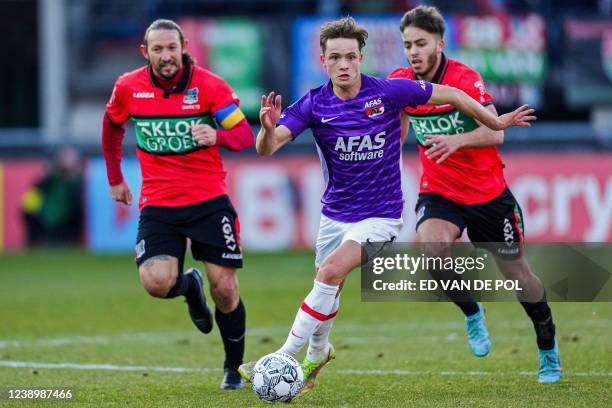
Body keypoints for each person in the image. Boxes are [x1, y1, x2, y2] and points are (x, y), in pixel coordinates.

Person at [238, 16, 536, 394]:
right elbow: (268, 148)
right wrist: (265, 128)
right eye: (335, 58)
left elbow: (454, 95)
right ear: (323, 60)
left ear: (361, 57)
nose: (343, 64)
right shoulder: (313, 104)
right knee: (329, 284)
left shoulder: (391, 92)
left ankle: (281, 357)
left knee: (329, 273)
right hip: (334, 216)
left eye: (349, 56)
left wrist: (494, 121)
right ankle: (318, 352)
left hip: (380, 216)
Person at [388, 6, 561, 384]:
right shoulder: (401, 80)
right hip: (440, 193)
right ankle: (472, 312)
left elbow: (496, 131)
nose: (413, 52)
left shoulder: (465, 78)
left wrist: (457, 140)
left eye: (421, 43)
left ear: (440, 43)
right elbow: (398, 124)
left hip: (488, 195)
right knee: (430, 251)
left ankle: (547, 345)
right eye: (407, 45)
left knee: (519, 277)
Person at [101, 19, 254, 389]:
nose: (166, 56)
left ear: (184, 46)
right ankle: (189, 287)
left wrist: (215, 135)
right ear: (146, 52)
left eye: (172, 48)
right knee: (155, 282)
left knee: (226, 289)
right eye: (158, 49)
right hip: (159, 204)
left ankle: (233, 368)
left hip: (208, 202)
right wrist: (115, 178)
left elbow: (244, 134)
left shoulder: (210, 86)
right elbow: (111, 127)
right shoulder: (128, 87)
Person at [22, 148, 83, 245]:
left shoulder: (77, 181)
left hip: (65, 222)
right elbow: (33, 195)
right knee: (27, 212)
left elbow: (77, 206)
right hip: (45, 218)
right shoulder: (51, 179)